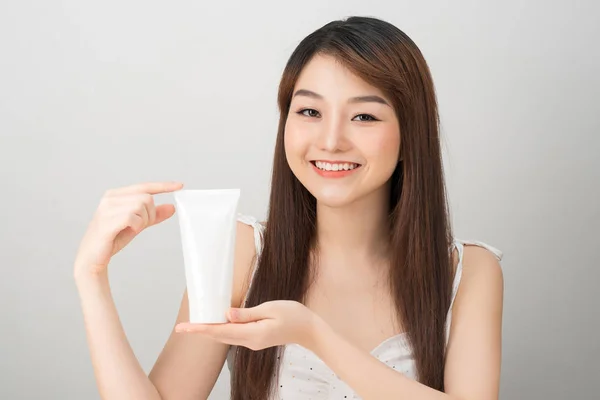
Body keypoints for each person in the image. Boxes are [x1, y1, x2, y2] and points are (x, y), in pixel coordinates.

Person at [74, 16, 504, 400]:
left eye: (364, 117)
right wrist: (91, 278)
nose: (331, 140)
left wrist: (313, 335)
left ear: (411, 134)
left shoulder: (469, 273)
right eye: (310, 111)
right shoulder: (244, 254)